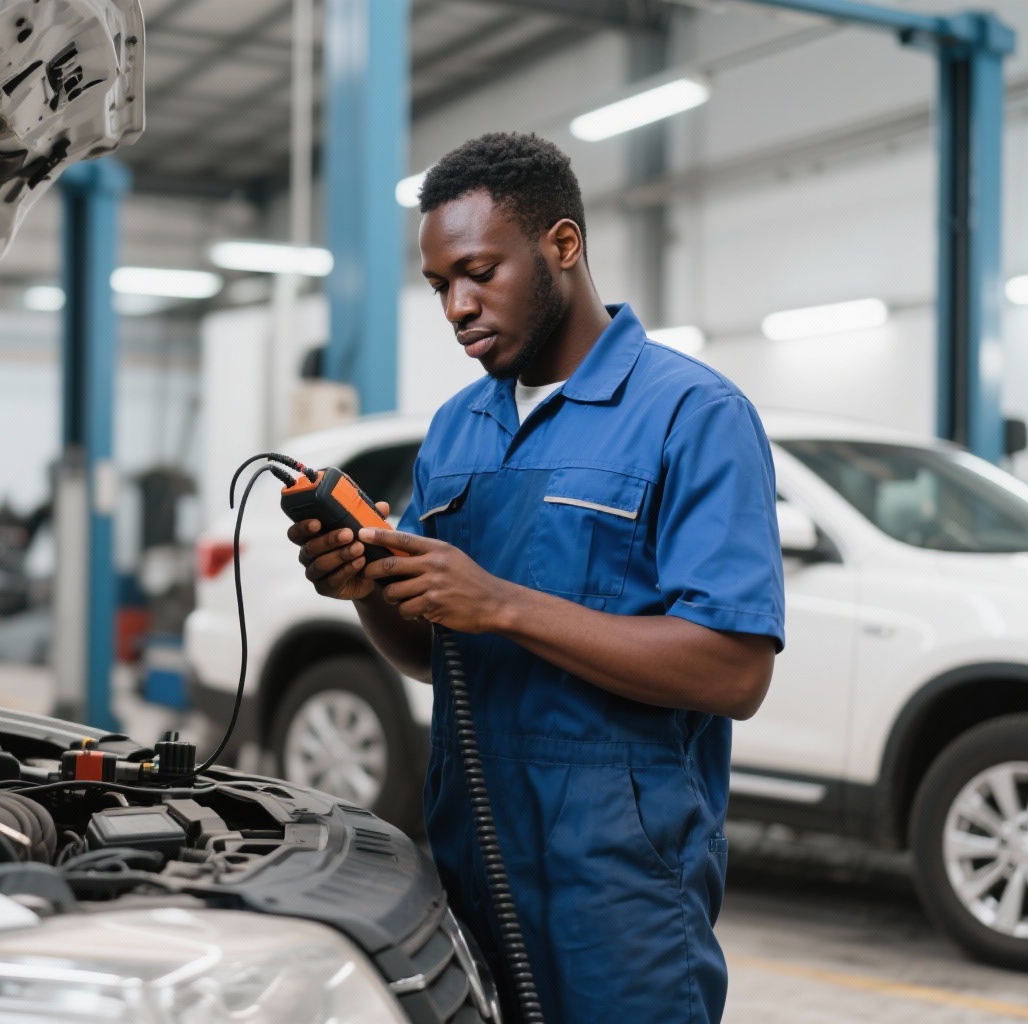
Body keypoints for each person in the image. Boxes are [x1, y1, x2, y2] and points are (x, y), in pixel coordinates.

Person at [288, 133, 785, 1024]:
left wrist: (504, 605)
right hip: (471, 848)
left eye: (479, 271)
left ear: (563, 245)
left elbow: (734, 672)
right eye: (441, 285)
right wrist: (367, 590)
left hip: (619, 876)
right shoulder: (456, 430)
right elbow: (433, 650)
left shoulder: (693, 415)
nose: (456, 306)